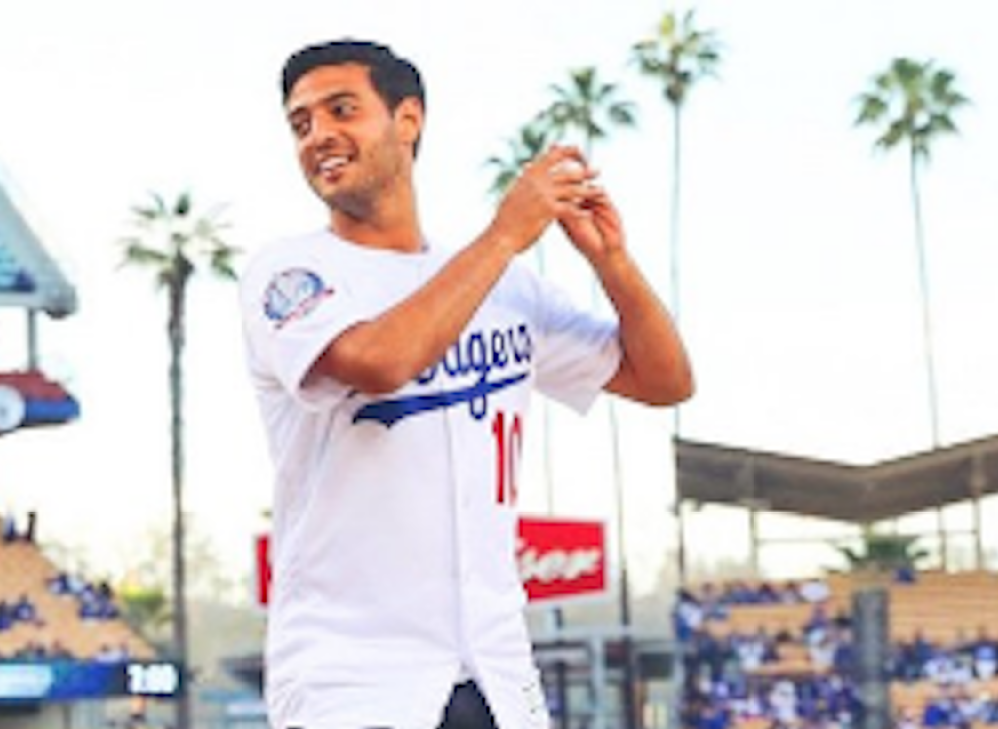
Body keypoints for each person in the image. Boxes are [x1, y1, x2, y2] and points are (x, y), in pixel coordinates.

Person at [239, 39, 693, 729]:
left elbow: (664, 380)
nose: (319, 136)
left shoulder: (504, 285)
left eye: (342, 110)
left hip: (497, 667)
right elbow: (377, 361)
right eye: (301, 124)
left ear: (408, 120)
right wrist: (505, 235)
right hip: (353, 675)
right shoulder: (290, 272)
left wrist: (615, 265)